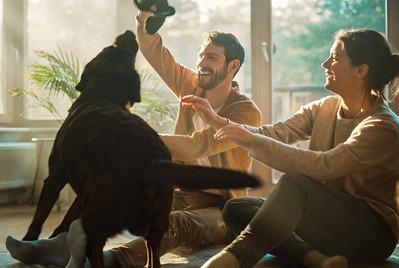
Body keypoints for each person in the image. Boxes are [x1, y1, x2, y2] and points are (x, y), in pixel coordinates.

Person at [5, 8, 261, 268]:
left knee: (175, 224)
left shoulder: (246, 112)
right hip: (183, 190)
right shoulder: (192, 85)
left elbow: (197, 145)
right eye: (201, 55)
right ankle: (60, 245)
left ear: (233, 66)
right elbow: (156, 54)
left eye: (212, 57)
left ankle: (110, 260)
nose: (202, 63)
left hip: (222, 209)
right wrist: (145, 19)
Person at [181, 29, 399, 268]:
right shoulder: (324, 108)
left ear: (361, 70)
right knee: (237, 207)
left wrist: (249, 140)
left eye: (335, 58)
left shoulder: (382, 126)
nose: (325, 63)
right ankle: (315, 259)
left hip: (370, 237)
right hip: (326, 226)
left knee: (296, 183)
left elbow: (324, 166)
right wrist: (220, 122)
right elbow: (275, 133)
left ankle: (236, 257)